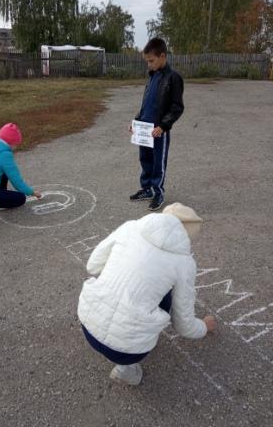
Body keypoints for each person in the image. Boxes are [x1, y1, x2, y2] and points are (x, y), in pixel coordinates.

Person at [78, 203, 217, 386]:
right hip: (126, 352)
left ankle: (126, 333)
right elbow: (183, 325)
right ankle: (126, 370)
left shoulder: (130, 227)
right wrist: (204, 327)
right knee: (168, 294)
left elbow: (92, 266)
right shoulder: (184, 262)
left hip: (88, 326)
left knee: (139, 286)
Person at [130, 38, 184, 211]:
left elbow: (177, 107)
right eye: (147, 61)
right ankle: (146, 189)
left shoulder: (173, 78)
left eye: (151, 61)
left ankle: (158, 192)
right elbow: (147, 103)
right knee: (145, 159)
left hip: (158, 130)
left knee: (158, 162)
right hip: (144, 128)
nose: (149, 64)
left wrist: (163, 126)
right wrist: (136, 122)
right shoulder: (152, 76)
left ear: (162, 56)